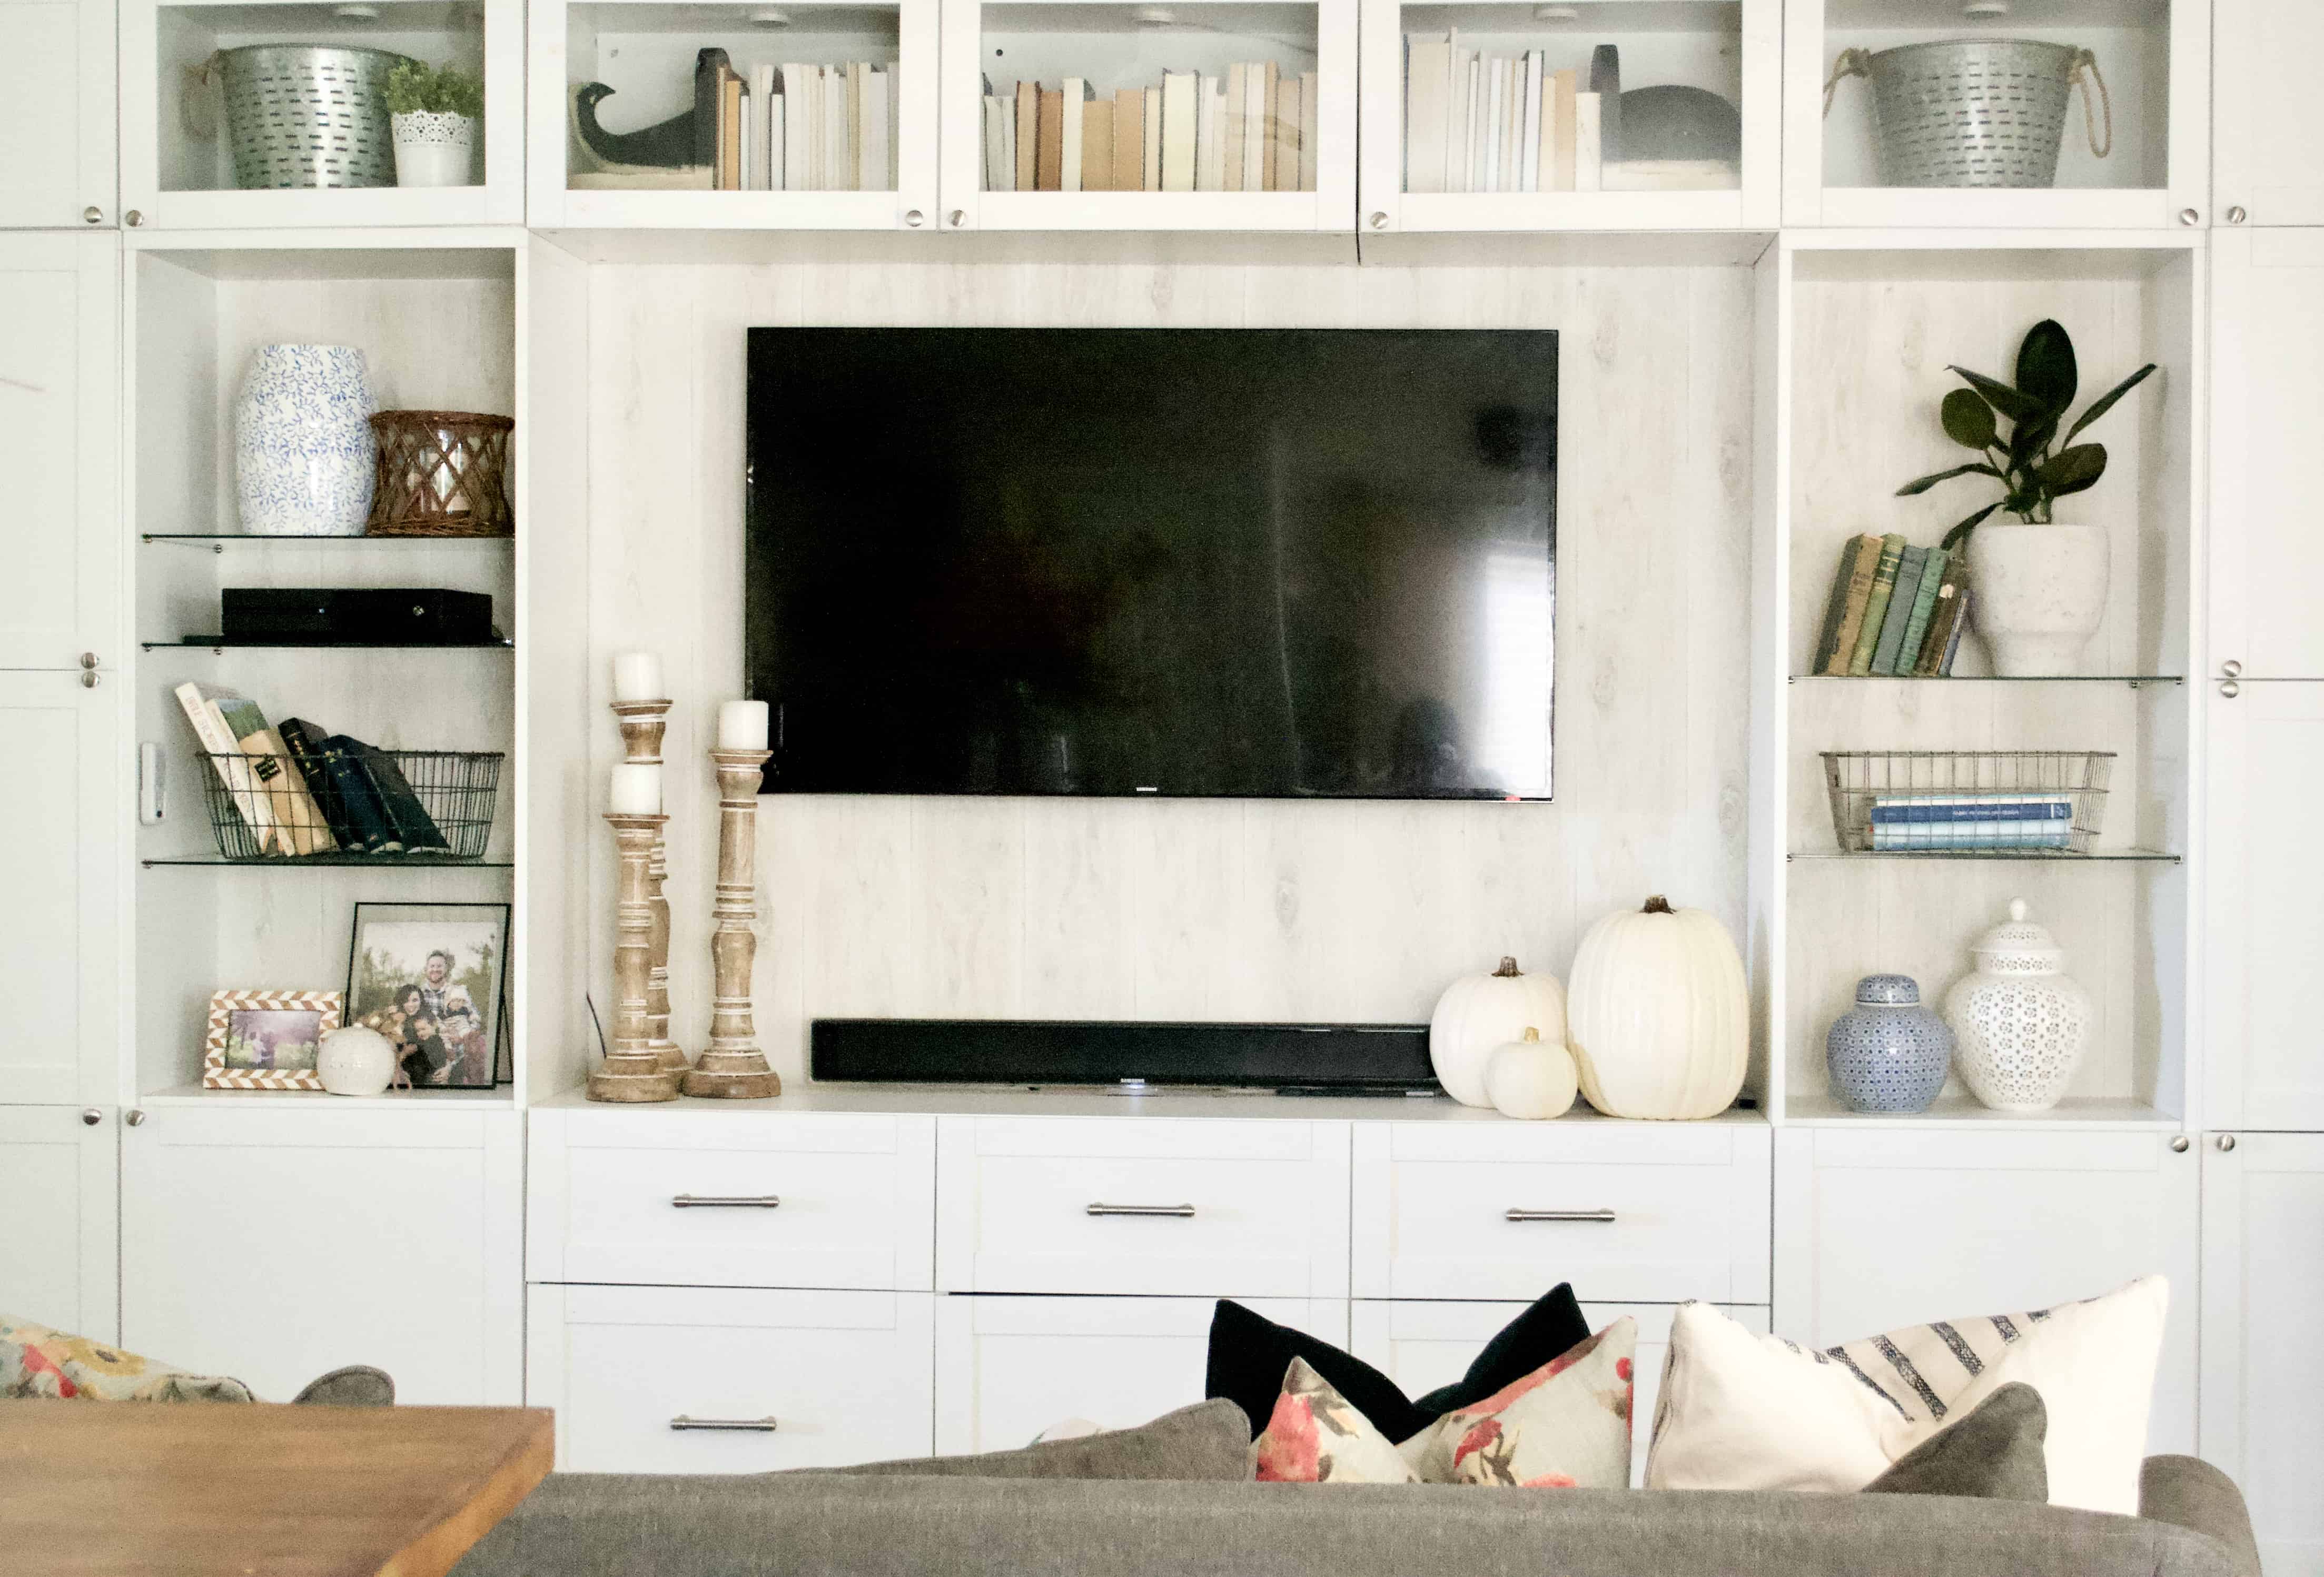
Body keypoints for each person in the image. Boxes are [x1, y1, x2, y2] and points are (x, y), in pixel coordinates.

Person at [438, 987, 490, 1086]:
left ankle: (468, 1040)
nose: (458, 1004)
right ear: (450, 1002)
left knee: (466, 1031)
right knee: (444, 1037)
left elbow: (473, 1018)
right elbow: (439, 1021)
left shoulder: (465, 1010)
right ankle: (449, 1050)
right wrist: (443, 1028)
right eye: (456, 1001)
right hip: (448, 1027)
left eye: (461, 1002)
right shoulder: (445, 1011)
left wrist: (474, 1019)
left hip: (462, 1027)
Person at [418, 950, 457, 1023]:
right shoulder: (418, 994)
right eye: (432, 966)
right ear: (426, 969)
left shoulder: (457, 993)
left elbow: (475, 1021)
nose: (435, 970)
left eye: (439, 966)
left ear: (446, 969)